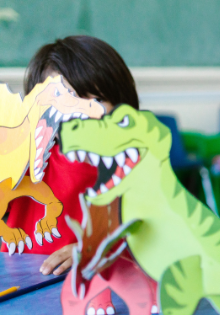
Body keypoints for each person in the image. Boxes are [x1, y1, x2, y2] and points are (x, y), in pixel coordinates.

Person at [6, 35, 141, 315]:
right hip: (23, 292)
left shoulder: (131, 162)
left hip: (104, 290)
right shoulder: (22, 157)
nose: (85, 110)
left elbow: (147, 230)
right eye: (67, 98)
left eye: (99, 98)